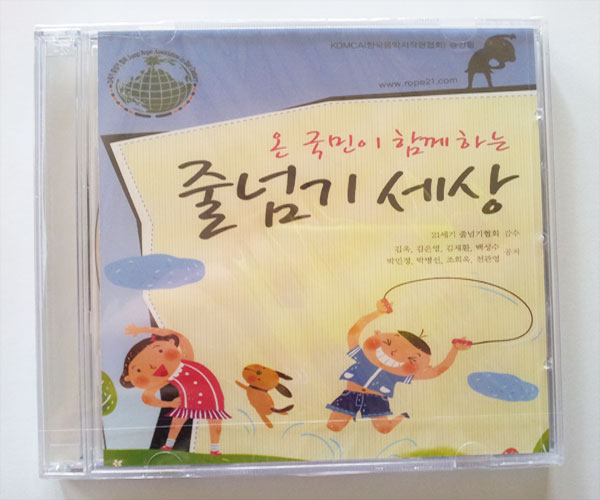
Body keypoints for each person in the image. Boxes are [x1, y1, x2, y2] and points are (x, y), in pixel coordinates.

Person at [326, 299, 471, 434]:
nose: (394, 353)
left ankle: (403, 416)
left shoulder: (398, 374)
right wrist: (378, 312)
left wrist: (455, 350)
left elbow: (436, 371)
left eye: (411, 359)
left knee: (384, 428)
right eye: (388, 343)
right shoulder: (364, 358)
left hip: (376, 400)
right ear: (378, 335)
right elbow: (353, 334)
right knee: (333, 425)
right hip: (350, 395)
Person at [120, 324, 230, 455]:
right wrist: (170, 404)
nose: (153, 365)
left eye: (160, 351)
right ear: (129, 378)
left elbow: (180, 337)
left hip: (211, 392)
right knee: (177, 422)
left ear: (171, 342)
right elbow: (147, 397)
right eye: (138, 370)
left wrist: (143, 330)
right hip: (189, 396)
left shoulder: (186, 358)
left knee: (214, 421)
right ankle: (169, 445)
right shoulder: (165, 379)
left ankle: (214, 449)